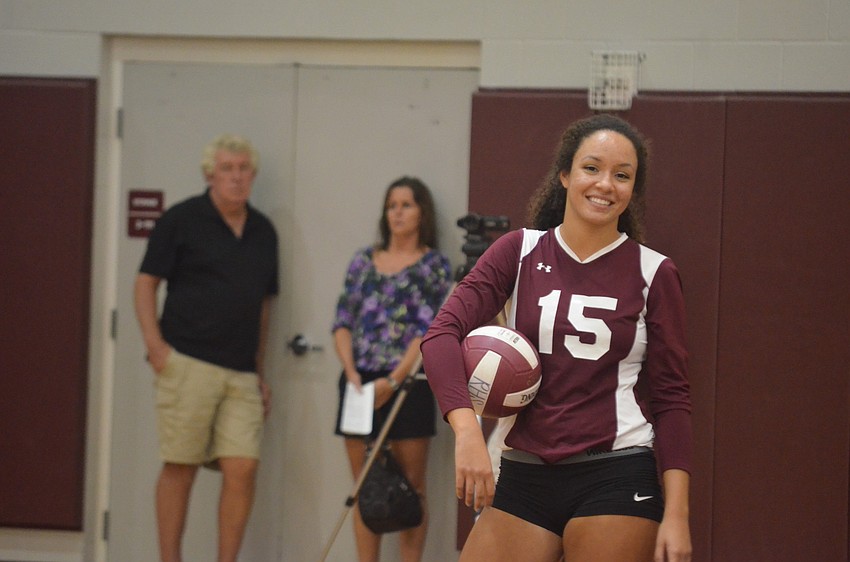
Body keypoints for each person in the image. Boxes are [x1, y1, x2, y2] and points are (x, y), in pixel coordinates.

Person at [421, 114, 693, 562]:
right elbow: (441, 335)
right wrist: (466, 429)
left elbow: (672, 397)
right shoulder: (519, 251)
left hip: (617, 470)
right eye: (592, 168)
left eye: (622, 176)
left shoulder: (654, 272)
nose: (605, 184)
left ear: (632, 191)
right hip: (525, 470)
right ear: (565, 175)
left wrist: (677, 514)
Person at [134, 133, 279, 562]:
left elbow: (263, 306)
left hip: (240, 372)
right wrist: (156, 347)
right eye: (227, 169)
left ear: (252, 176)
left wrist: (259, 369)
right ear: (209, 175)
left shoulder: (264, 231)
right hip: (187, 363)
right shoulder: (181, 219)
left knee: (243, 467)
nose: (236, 177)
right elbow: (145, 284)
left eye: (243, 169)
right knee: (180, 467)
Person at [332, 176, 452, 562]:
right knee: (365, 487)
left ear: (422, 213)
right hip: (359, 382)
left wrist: (394, 379)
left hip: (407, 384)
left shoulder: (433, 265)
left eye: (406, 205)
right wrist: (351, 373)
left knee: (410, 488)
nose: (397, 212)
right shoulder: (363, 261)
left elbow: (427, 329)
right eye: (391, 206)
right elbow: (342, 322)